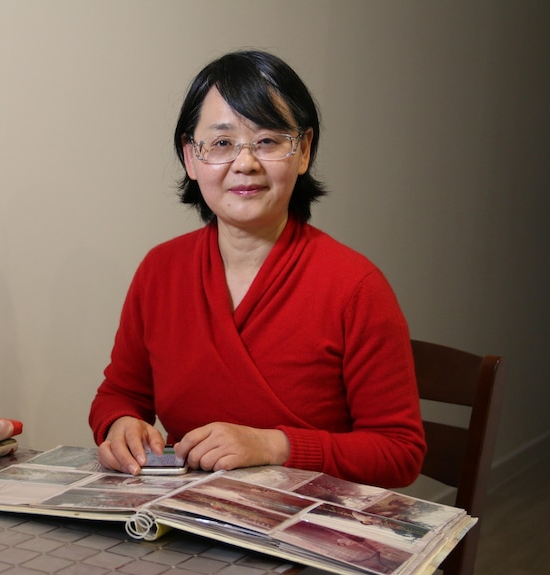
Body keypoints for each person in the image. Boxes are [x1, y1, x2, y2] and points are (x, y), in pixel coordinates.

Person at [88, 50, 425, 488]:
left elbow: (399, 453)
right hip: (185, 517)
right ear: (191, 158)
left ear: (302, 152)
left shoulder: (355, 286)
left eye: (268, 141)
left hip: (309, 532)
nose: (245, 163)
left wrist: (275, 446)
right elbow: (121, 393)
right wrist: (120, 423)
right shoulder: (160, 270)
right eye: (222, 143)